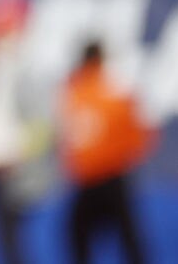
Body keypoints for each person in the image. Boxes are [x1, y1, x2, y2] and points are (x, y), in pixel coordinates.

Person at [60, 41, 155, 264]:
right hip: (112, 174)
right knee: (128, 237)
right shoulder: (114, 89)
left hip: (92, 177)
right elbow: (141, 135)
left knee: (79, 236)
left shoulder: (76, 90)